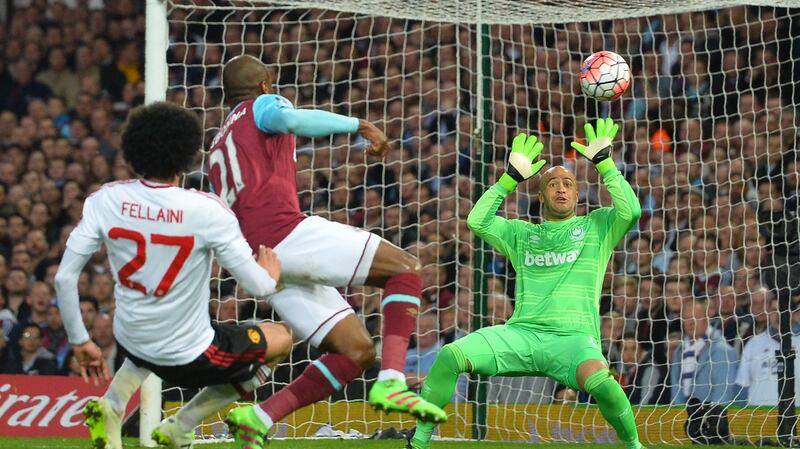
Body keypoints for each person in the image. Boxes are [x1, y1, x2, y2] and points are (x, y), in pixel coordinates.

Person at [212, 55, 446, 447]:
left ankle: (259, 417)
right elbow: (289, 120)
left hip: (261, 261)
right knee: (406, 268)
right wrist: (358, 125)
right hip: (285, 234)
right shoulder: (263, 106)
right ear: (265, 84)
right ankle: (392, 380)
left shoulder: (220, 141)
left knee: (356, 351)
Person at [54, 102, 293, 449]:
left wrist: (80, 341)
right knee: (283, 337)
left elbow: (63, 279)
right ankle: (182, 424)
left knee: (151, 331)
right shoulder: (207, 210)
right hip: (189, 355)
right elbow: (256, 286)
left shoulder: (105, 199)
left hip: (131, 340)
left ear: (133, 153)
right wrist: (270, 273)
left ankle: (113, 405)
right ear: (188, 155)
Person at [408, 118, 645, 449]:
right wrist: (509, 178)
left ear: (577, 193)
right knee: (449, 355)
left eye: (567, 183)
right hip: (521, 335)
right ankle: (418, 442)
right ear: (539, 194)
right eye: (552, 184)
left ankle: (634, 446)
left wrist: (605, 163)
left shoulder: (596, 227)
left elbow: (631, 210)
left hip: (573, 340)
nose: (561, 188)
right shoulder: (522, 234)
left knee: (602, 382)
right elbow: (477, 220)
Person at [669, 296, 739, 405]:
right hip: (684, 418)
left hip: (710, 418)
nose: (691, 322)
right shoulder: (679, 352)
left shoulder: (722, 350)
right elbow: (676, 392)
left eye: (696, 317)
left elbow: (723, 393)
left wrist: (713, 420)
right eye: (687, 318)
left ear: (707, 318)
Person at [736, 295, 800, 406]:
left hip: (795, 417)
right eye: (774, 310)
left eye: (783, 310)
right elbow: (742, 386)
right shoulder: (754, 343)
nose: (779, 315)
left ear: (794, 313)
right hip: (758, 418)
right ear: (769, 313)